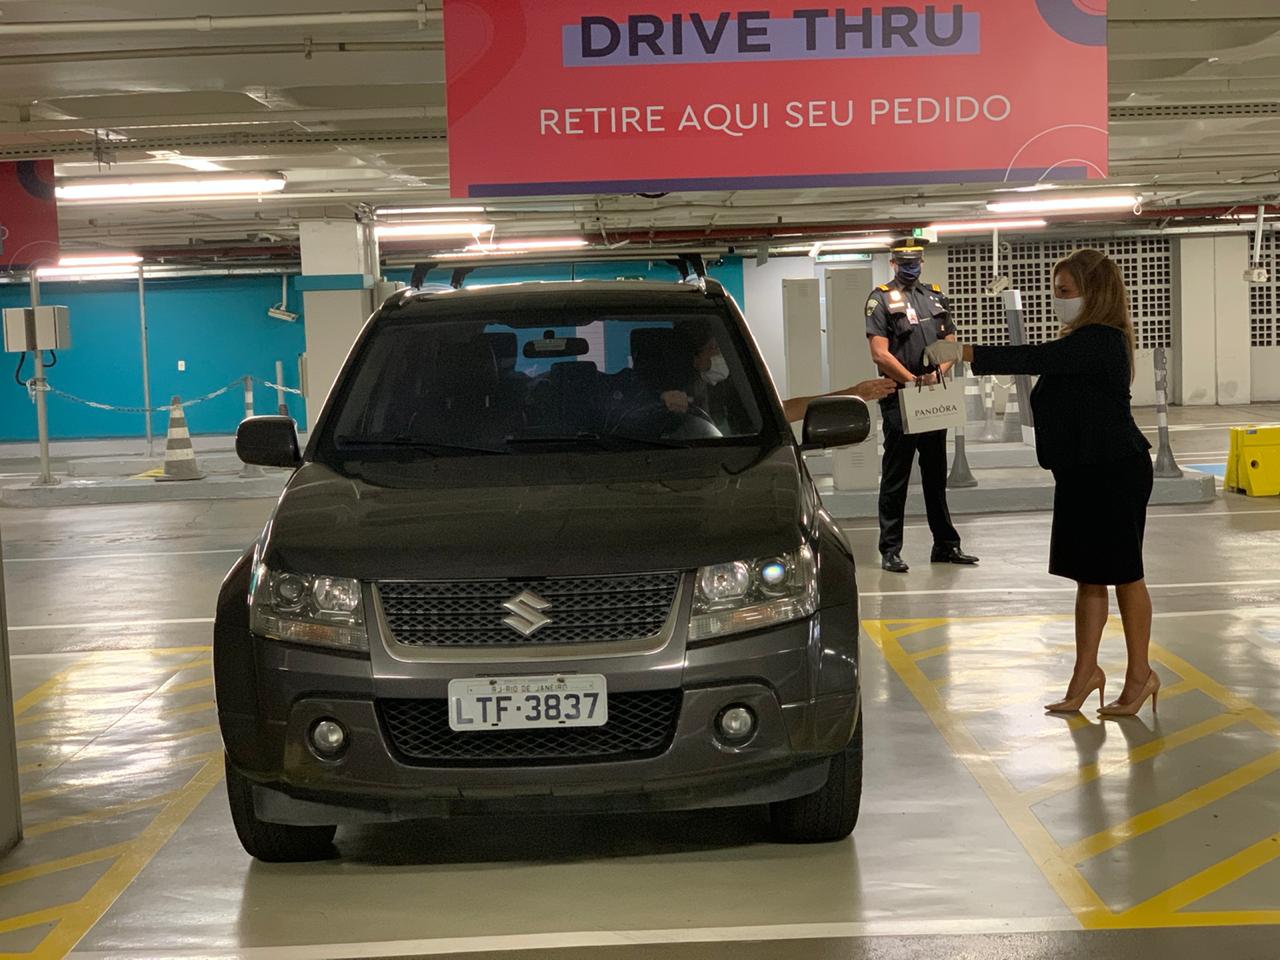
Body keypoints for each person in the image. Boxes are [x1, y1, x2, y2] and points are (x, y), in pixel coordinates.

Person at [925, 249, 1158, 718]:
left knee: (1125, 573)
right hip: (1080, 472)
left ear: (1094, 294)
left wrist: (964, 352)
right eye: (1056, 292)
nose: (1058, 300)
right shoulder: (1083, 341)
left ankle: (1140, 676)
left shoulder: (1101, 340)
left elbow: (1033, 356)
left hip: (1113, 470)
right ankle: (1085, 674)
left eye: (1065, 292)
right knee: (1087, 577)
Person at [866, 238, 978, 573]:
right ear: (893, 263)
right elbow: (880, 353)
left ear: (922, 261)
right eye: (904, 261)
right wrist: (913, 380)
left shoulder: (935, 296)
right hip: (901, 397)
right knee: (896, 475)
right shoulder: (880, 299)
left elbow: (950, 344)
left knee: (935, 474)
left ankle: (945, 544)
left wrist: (937, 373)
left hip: (933, 395)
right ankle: (890, 549)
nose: (911, 266)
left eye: (915, 260)